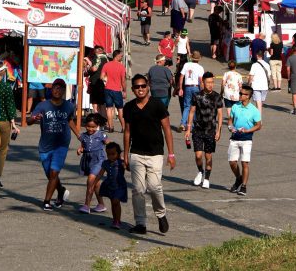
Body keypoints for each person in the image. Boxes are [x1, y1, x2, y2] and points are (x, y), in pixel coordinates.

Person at [123, 74, 175, 235]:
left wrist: (171, 154)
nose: (140, 89)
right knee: (138, 189)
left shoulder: (157, 105)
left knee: (154, 187)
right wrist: (125, 155)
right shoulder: (129, 107)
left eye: (143, 86)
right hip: (136, 153)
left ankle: (161, 214)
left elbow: (166, 129)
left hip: (155, 154)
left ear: (148, 87)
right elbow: (127, 132)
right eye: (137, 87)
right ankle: (140, 223)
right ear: (132, 89)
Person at [29, 78, 80, 211]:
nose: (57, 90)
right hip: (45, 145)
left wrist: (79, 136)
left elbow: (70, 121)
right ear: (51, 90)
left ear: (64, 91)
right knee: (50, 175)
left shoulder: (69, 106)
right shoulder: (43, 105)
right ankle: (61, 190)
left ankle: (46, 201)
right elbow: (29, 121)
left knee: (53, 173)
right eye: (55, 88)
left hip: (61, 144)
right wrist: (34, 118)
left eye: (60, 88)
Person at [185, 71, 223, 189]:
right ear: (203, 83)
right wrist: (188, 128)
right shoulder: (197, 96)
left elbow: (220, 115)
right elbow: (191, 112)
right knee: (198, 155)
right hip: (198, 130)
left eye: (212, 82)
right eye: (208, 82)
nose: (210, 84)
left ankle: (207, 178)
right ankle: (200, 171)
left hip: (210, 130)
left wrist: (218, 130)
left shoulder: (217, 97)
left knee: (208, 156)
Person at [228, 84, 262, 196]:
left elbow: (258, 125)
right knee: (232, 162)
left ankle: (243, 186)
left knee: (244, 163)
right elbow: (230, 120)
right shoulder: (235, 107)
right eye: (240, 93)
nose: (240, 95)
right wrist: (230, 127)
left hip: (247, 139)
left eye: (242, 94)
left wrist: (248, 131)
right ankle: (238, 178)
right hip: (234, 138)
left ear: (248, 96)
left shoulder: (254, 110)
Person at [77, 113, 108, 214]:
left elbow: (109, 144)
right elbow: (83, 145)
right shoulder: (83, 136)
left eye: (93, 127)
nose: (90, 129)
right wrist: (80, 149)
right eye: (88, 126)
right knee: (96, 184)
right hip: (87, 160)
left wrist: (116, 155)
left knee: (90, 180)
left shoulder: (101, 135)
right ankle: (101, 204)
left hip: (99, 160)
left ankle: (86, 205)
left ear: (98, 126)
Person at [92, 142, 128, 229]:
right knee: (113, 203)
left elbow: (129, 168)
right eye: (108, 154)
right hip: (110, 185)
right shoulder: (106, 163)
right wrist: (94, 183)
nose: (111, 156)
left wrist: (126, 163)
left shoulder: (121, 163)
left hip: (119, 186)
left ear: (118, 153)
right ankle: (115, 220)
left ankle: (118, 220)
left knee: (116, 201)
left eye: (113, 154)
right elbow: (100, 174)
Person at [101, 50, 127, 133]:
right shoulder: (121, 67)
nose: (122, 57)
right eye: (121, 56)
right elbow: (123, 80)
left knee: (109, 108)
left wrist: (106, 80)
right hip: (116, 90)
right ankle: (123, 127)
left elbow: (101, 77)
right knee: (120, 109)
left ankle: (110, 127)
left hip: (107, 89)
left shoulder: (106, 65)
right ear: (117, 56)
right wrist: (124, 90)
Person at [178, 51, 205, 131]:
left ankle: (183, 124)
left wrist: (180, 88)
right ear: (199, 59)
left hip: (187, 86)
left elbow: (181, 77)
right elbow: (200, 80)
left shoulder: (186, 65)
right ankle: (193, 125)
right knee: (195, 106)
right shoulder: (200, 67)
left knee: (187, 106)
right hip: (196, 87)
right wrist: (203, 90)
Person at [248, 50, 270, 116]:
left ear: (257, 56)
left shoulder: (254, 65)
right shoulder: (267, 64)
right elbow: (269, 76)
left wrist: (249, 84)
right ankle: (258, 117)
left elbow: (251, 76)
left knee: (258, 103)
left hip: (256, 86)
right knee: (260, 103)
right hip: (264, 86)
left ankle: (259, 119)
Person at [88, 46, 108, 117]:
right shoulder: (106, 58)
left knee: (95, 103)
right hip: (103, 82)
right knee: (102, 103)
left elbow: (94, 69)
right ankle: (103, 120)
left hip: (96, 82)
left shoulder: (98, 58)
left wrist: (88, 69)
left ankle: (98, 120)